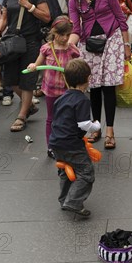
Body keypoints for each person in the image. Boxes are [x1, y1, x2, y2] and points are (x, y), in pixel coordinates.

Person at [67, 0, 130, 150]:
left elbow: (121, 18)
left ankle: (110, 130)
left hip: (112, 39)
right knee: (93, 86)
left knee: (108, 86)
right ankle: (96, 127)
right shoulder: (74, 1)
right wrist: (69, 45)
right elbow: (76, 28)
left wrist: (127, 45)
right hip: (89, 44)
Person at [0, 0, 50, 132]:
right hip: (12, 41)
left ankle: (21, 116)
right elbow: (5, 17)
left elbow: (46, 17)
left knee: (27, 81)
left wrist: (29, 7)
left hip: (30, 41)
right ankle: (28, 105)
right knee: (10, 79)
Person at [49, 58, 100, 217]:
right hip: (72, 144)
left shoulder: (61, 98)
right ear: (87, 80)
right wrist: (96, 127)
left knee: (65, 170)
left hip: (56, 142)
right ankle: (73, 201)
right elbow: (84, 124)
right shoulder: (82, 100)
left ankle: (64, 198)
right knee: (86, 172)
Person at [27, 16, 80, 158]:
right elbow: (38, 63)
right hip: (51, 89)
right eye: (61, 35)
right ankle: (51, 146)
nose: (64, 38)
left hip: (67, 89)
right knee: (51, 118)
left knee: (68, 118)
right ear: (54, 33)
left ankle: (67, 143)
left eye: (68, 35)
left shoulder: (72, 49)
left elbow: (77, 66)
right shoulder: (47, 48)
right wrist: (33, 66)